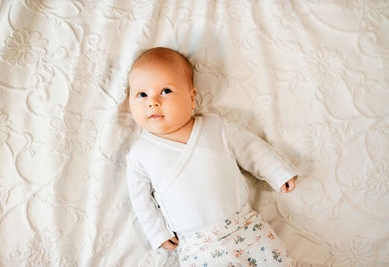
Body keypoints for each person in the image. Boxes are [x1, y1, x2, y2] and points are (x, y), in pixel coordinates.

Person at [126, 47, 297, 266]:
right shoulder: (140, 154)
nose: (153, 102)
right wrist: (157, 233)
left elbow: (250, 148)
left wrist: (277, 172)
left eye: (166, 91)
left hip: (245, 229)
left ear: (191, 97)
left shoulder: (215, 127)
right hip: (197, 246)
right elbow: (140, 201)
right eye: (142, 95)